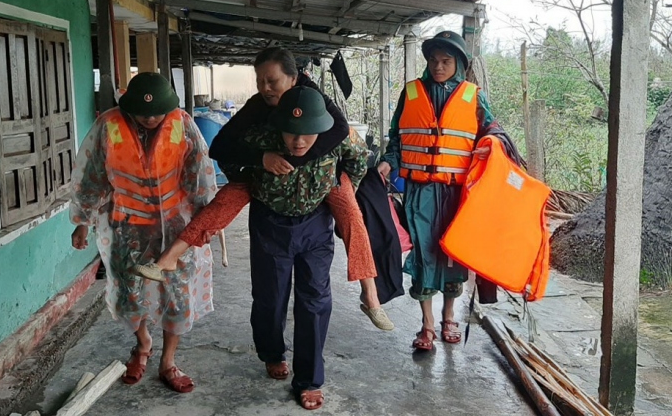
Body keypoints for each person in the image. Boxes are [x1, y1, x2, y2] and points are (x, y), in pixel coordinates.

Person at [139, 47, 393, 330]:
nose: (265, 88)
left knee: (351, 215)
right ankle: (170, 257)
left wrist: (328, 177)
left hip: (321, 179)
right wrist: (259, 162)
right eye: (260, 81)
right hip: (263, 180)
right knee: (222, 205)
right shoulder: (259, 107)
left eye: (272, 81)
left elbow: (346, 138)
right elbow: (222, 147)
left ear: (294, 78)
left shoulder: (314, 100)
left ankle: (370, 294)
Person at [69, 73, 216, 392]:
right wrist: (83, 219)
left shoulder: (183, 123)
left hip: (177, 229)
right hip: (127, 228)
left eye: (156, 112)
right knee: (129, 294)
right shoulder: (108, 126)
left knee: (176, 296)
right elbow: (91, 174)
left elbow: (200, 173)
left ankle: (168, 361)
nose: (150, 118)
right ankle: (143, 344)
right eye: (142, 112)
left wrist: (205, 220)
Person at [377, 31, 513, 349]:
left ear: (459, 63)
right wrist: (388, 161)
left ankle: (449, 317)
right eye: (434, 61)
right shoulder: (411, 93)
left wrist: (491, 144)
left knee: (453, 255)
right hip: (419, 192)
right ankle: (427, 327)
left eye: (446, 61)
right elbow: (396, 137)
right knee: (424, 255)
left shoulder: (474, 96)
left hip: (456, 195)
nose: (438, 67)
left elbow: (492, 132)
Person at [251, 86, 368, 410]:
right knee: (270, 297)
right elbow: (230, 158)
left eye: (307, 134)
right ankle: (272, 352)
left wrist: (341, 193)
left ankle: (310, 379)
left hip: (316, 224)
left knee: (315, 300)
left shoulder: (339, 136)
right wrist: (260, 162)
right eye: (291, 133)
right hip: (270, 225)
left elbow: (360, 160)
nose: (298, 142)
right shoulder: (262, 135)